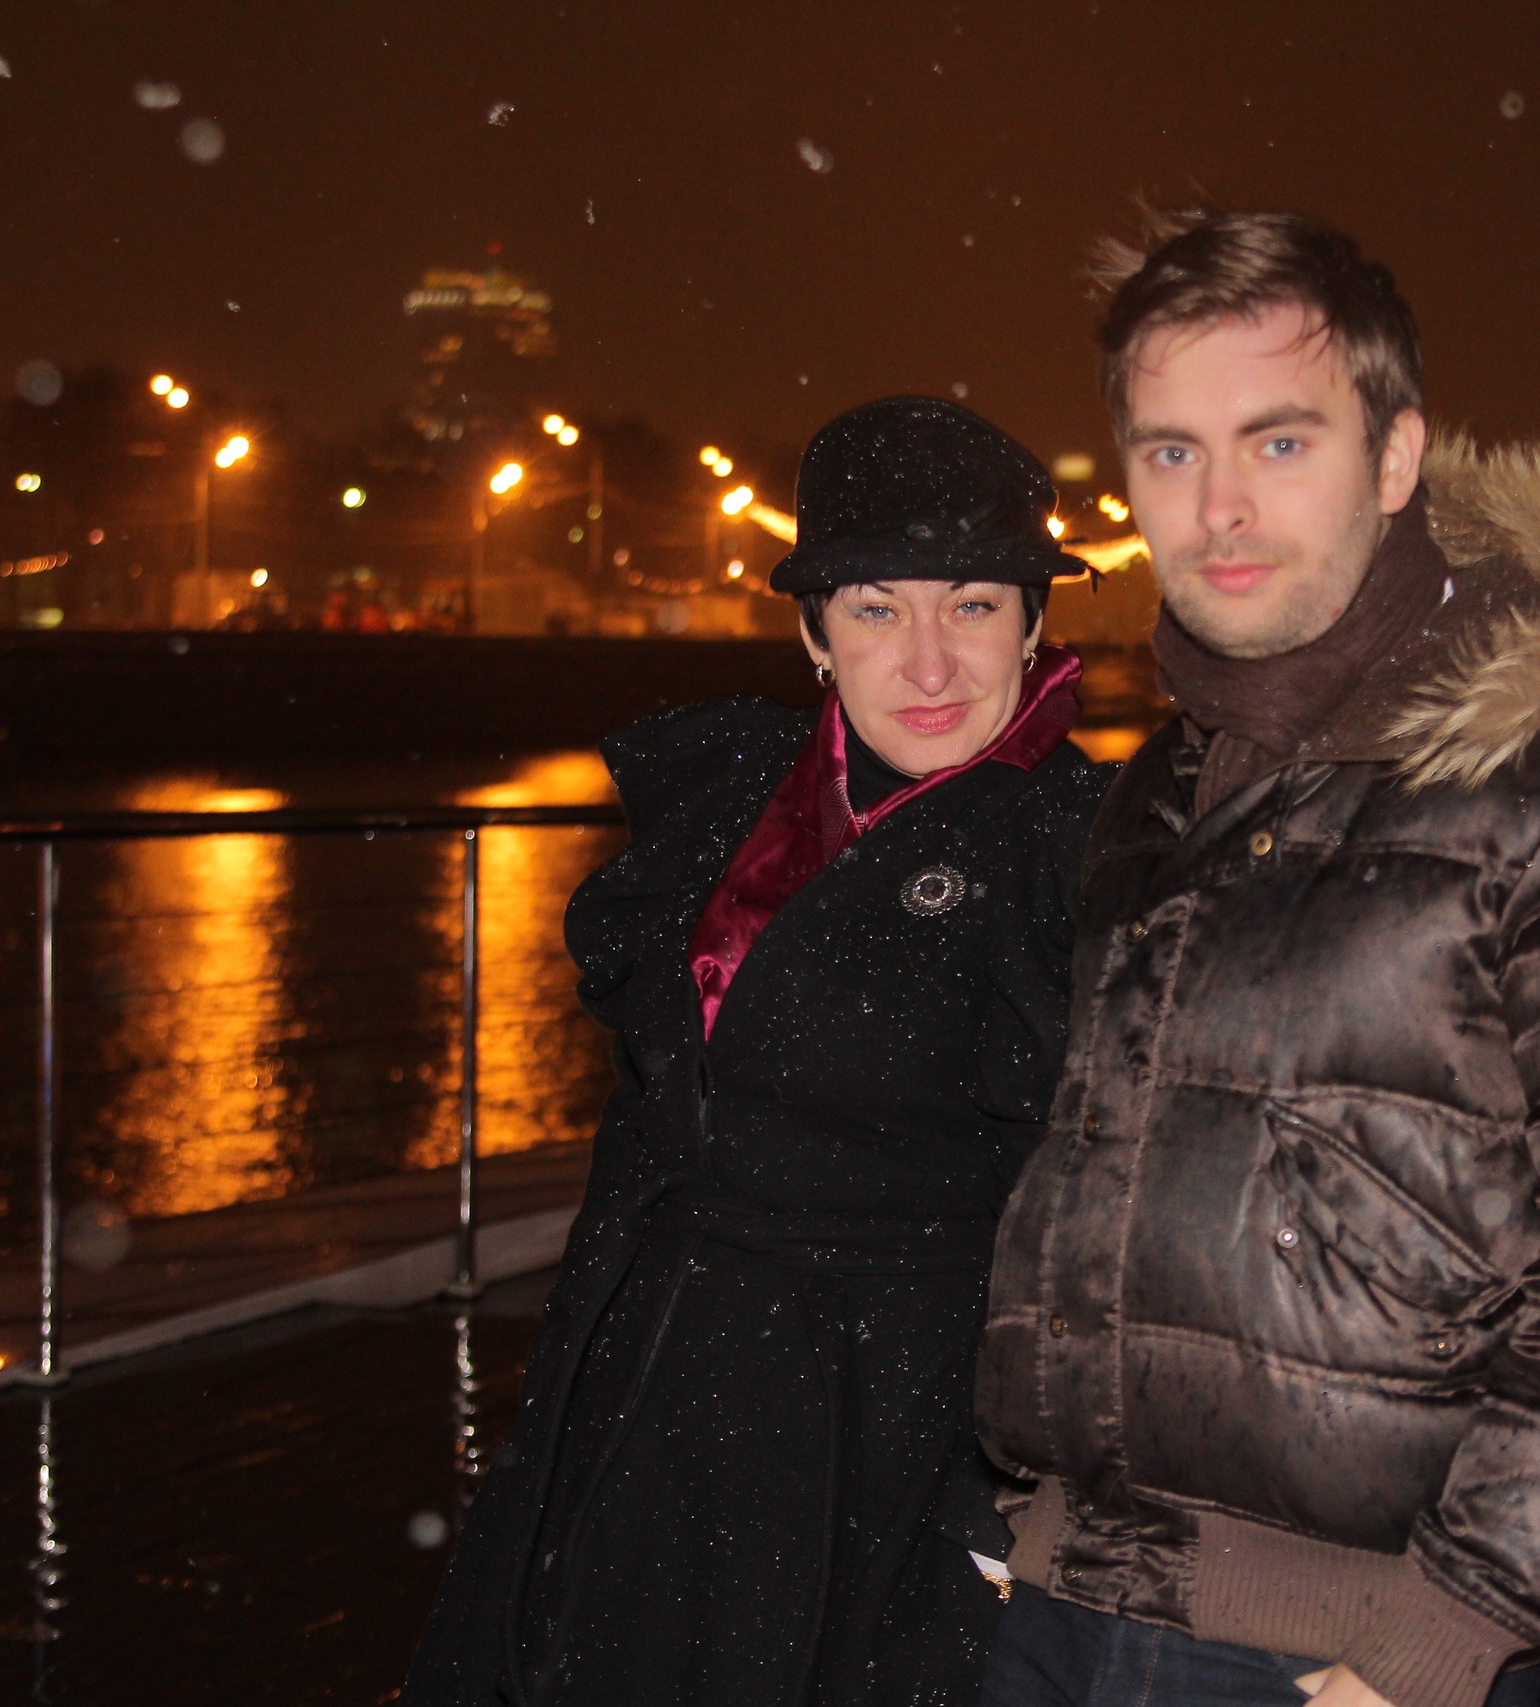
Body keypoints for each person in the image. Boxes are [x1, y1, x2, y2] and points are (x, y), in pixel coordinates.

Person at [974, 211, 1540, 1707]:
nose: (1219, 507)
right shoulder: (1166, 786)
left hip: (1341, 1653)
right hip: (1065, 1602)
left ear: (1398, 458)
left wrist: (1450, 1629)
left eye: (1279, 444)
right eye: (1171, 452)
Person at [405, 397, 1112, 1707]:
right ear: (814, 635)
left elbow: (1101, 1226)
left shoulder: (1081, 859)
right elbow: (645, 1129)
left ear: (1033, 625)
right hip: (649, 1396)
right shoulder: (729, 797)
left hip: (893, 1437)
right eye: (876, 610)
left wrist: (1009, 1499)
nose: (930, 666)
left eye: (971, 607)